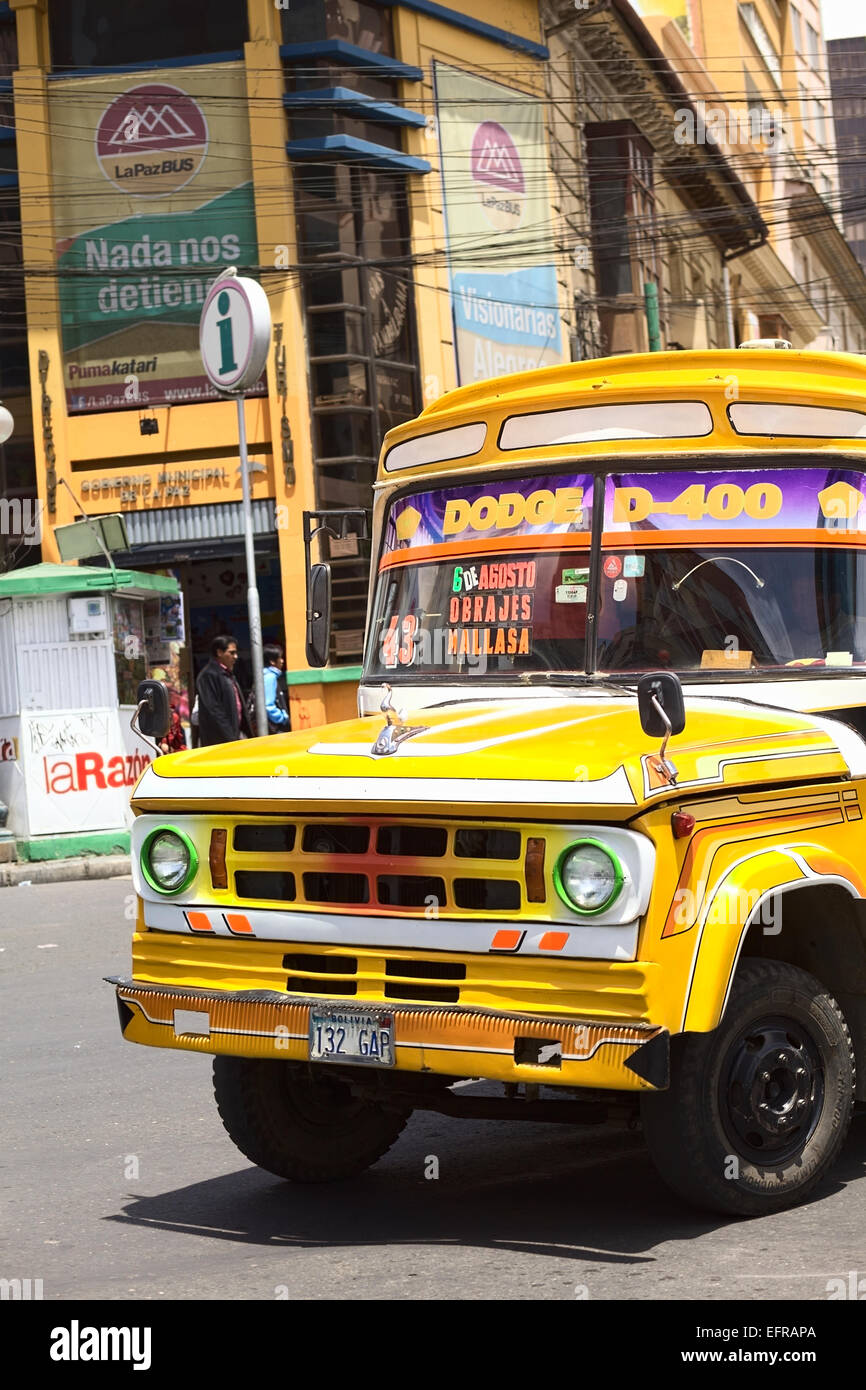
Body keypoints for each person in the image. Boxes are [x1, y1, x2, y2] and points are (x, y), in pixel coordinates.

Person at [195, 635, 251, 746]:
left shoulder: (228, 674)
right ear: (219, 652)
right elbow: (215, 711)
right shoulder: (208, 675)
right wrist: (231, 738)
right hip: (221, 741)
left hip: (234, 736)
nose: (235, 657)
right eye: (232, 653)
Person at [262, 643, 291, 734]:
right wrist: (282, 718)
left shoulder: (267, 676)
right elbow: (268, 705)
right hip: (276, 727)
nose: (282, 661)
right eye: (280, 658)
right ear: (272, 661)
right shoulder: (270, 677)